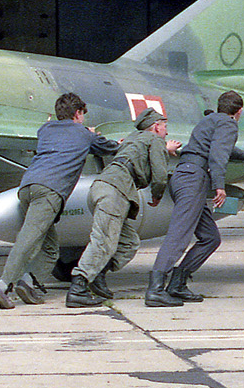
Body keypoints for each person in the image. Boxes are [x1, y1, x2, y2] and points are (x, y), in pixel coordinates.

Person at [0, 92, 120, 309]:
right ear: (78, 113)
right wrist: (104, 138)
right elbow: (111, 148)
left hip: (27, 188)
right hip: (49, 191)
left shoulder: (45, 129)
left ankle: (30, 284)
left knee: (51, 248)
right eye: (82, 115)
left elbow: (56, 132)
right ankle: (4, 286)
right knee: (28, 240)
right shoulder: (84, 134)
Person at [145, 90, 244, 307]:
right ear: (239, 111)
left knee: (210, 237)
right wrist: (219, 186)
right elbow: (218, 154)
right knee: (179, 236)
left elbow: (220, 147)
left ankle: (177, 284)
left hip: (185, 176)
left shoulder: (210, 120)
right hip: (193, 179)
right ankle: (155, 290)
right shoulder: (228, 124)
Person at [67, 107, 181, 307]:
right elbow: (161, 176)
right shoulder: (155, 140)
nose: (167, 132)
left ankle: (98, 275)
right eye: (165, 127)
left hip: (101, 188)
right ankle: (78, 287)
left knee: (129, 242)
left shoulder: (131, 139)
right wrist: (156, 195)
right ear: (155, 127)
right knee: (103, 241)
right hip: (114, 192)